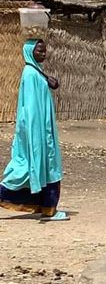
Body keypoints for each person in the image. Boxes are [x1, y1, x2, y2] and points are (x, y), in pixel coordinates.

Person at [0, 39, 68, 221]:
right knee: (31, 166)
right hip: (37, 130)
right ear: (30, 52)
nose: (43, 54)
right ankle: (47, 209)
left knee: (45, 165)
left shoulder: (36, 71)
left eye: (44, 51)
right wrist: (36, 134)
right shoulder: (30, 74)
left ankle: (46, 207)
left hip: (42, 129)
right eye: (39, 51)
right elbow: (30, 108)